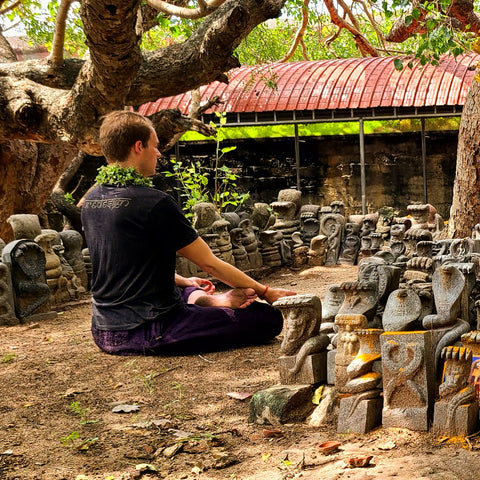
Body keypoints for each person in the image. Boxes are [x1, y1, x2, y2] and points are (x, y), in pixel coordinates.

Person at [81, 111, 296, 355]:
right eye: (155, 146)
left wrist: (184, 281)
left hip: (102, 329)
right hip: (150, 329)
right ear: (138, 147)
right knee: (266, 318)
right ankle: (209, 305)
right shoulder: (153, 202)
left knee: (188, 287)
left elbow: (124, 265)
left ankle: (208, 301)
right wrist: (266, 292)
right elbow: (210, 264)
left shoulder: (92, 199)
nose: (159, 153)